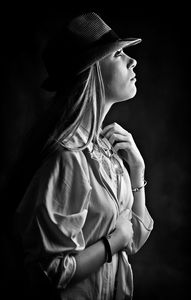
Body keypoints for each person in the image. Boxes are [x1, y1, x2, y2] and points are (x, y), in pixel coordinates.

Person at [15, 12, 154, 300]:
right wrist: (113, 242)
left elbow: (134, 239)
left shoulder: (106, 150)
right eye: (118, 55)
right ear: (92, 71)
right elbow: (51, 271)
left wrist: (138, 171)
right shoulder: (67, 158)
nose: (133, 60)